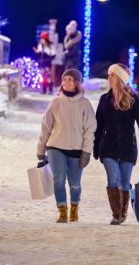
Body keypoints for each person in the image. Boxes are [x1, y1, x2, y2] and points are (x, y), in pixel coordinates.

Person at [93, 63, 139, 225]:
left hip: (128, 148)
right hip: (108, 148)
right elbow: (98, 125)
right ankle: (116, 214)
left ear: (120, 78)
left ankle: (123, 212)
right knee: (113, 179)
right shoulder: (104, 100)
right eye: (109, 75)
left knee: (124, 183)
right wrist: (95, 147)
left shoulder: (133, 99)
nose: (109, 78)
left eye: (112, 75)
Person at [36, 69, 96, 223]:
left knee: (75, 184)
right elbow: (46, 127)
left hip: (77, 149)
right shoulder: (55, 103)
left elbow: (90, 130)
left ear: (77, 83)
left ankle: (74, 208)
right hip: (56, 147)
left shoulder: (85, 104)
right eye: (65, 79)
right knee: (59, 179)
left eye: (71, 79)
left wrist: (87, 152)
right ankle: (62, 211)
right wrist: (41, 149)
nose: (67, 82)